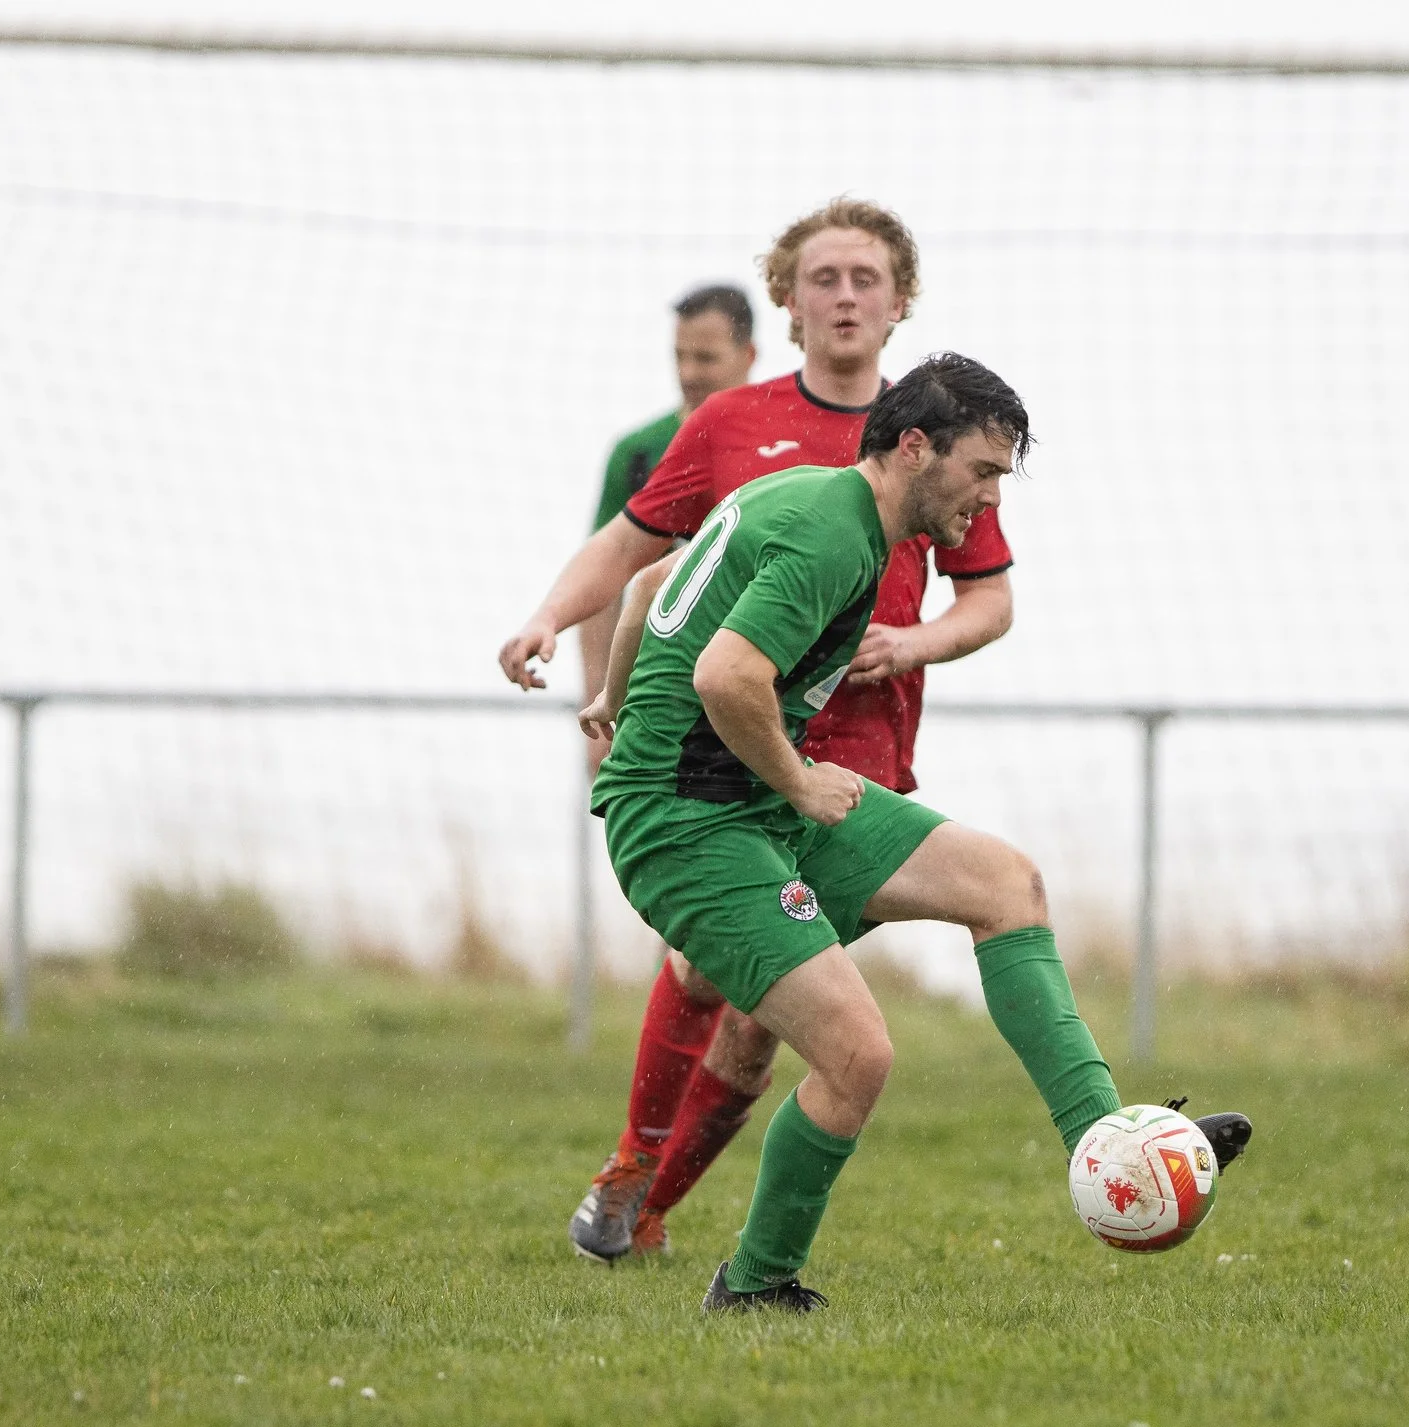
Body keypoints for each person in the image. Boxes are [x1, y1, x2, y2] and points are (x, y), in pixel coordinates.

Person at [575, 354, 1248, 1311]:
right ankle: (755, 1287)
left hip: (748, 799)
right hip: (687, 822)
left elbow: (650, 589)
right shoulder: (831, 537)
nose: (990, 496)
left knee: (1004, 884)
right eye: (983, 472)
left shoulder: (817, 501)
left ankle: (1111, 1145)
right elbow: (726, 678)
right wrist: (802, 781)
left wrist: (612, 694)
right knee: (858, 1056)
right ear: (916, 447)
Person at [503, 199, 1019, 1264]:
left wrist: (909, 645)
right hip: (729, 753)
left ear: (900, 302)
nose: (843, 295)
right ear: (785, 301)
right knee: (710, 967)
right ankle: (636, 1170)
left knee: (761, 1019)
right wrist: (554, 622)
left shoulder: (946, 441)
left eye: (864, 278)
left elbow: (990, 598)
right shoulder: (730, 426)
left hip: (856, 757)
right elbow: (640, 555)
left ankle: (653, 1207)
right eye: (821, 276)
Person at [576, 284, 758, 773]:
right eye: (679, 356)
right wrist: (599, 693)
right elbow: (605, 582)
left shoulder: (778, 449)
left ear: (749, 355)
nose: (688, 373)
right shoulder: (637, 452)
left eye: (705, 358)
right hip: (656, 696)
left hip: (757, 690)